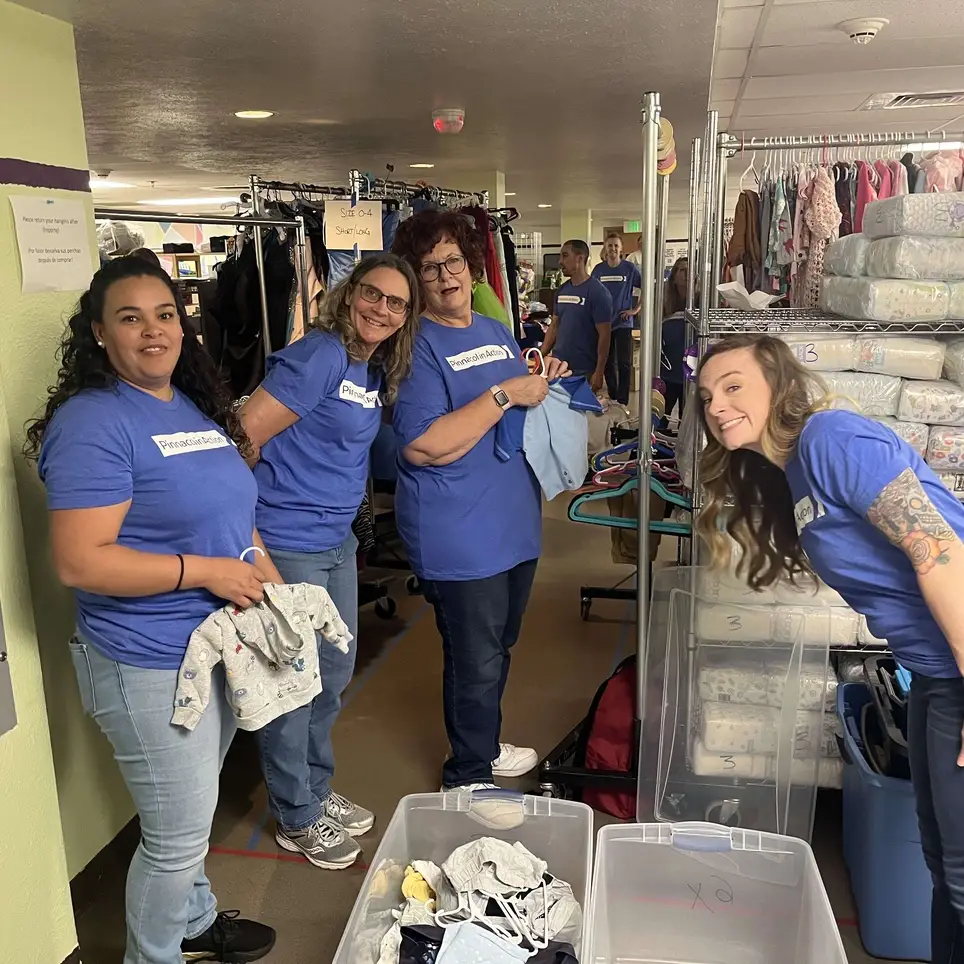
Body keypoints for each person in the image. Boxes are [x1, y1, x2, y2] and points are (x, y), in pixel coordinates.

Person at [27, 256, 278, 964]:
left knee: (188, 823)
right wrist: (208, 573)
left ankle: (194, 923)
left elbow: (233, 510)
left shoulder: (189, 403)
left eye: (165, 315)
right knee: (174, 843)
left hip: (217, 641)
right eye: (130, 318)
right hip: (147, 662)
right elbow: (81, 561)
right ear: (100, 336)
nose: (152, 331)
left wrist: (266, 578)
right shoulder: (93, 423)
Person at [697, 333, 964, 964]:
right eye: (707, 396)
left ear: (778, 383)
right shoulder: (788, 474)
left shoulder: (830, 439)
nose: (716, 404)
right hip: (933, 672)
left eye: (734, 385)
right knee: (945, 867)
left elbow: (939, 550)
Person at [238, 252, 419, 870]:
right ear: (349, 293)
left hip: (336, 539)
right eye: (373, 294)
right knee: (293, 683)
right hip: (287, 542)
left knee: (334, 672)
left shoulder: (367, 367)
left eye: (396, 303)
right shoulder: (318, 355)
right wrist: (248, 531)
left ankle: (315, 788)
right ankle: (296, 813)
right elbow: (242, 437)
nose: (381, 310)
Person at [391, 210, 570, 796]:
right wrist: (503, 393)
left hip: (512, 519)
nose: (445, 277)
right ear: (415, 281)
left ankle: (484, 746)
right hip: (459, 532)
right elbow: (423, 445)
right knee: (475, 658)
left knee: (499, 646)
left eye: (454, 262)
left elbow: (513, 402)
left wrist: (539, 381)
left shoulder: (494, 331)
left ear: (472, 267)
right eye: (429, 268)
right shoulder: (414, 347)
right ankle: (466, 777)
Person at [541, 239, 612, 393]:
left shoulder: (598, 293)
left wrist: (599, 372)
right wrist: (540, 355)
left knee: (579, 415)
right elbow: (554, 326)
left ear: (580, 258)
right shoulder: (562, 290)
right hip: (558, 366)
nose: (560, 261)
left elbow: (605, 336)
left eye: (565, 256)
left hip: (584, 370)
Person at [591, 234, 641, 406]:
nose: (612, 249)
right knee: (606, 361)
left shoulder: (629, 268)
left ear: (621, 249)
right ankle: (613, 396)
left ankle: (623, 400)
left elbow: (646, 288)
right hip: (604, 323)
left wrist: (635, 310)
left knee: (624, 362)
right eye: (610, 246)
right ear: (605, 248)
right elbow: (592, 294)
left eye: (615, 246)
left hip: (623, 322)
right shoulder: (598, 270)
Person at [660, 257, 691, 426]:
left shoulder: (701, 301)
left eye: (689, 270)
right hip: (668, 369)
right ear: (674, 276)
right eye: (682, 270)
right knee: (660, 416)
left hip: (690, 371)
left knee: (686, 421)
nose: (686, 274)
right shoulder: (664, 303)